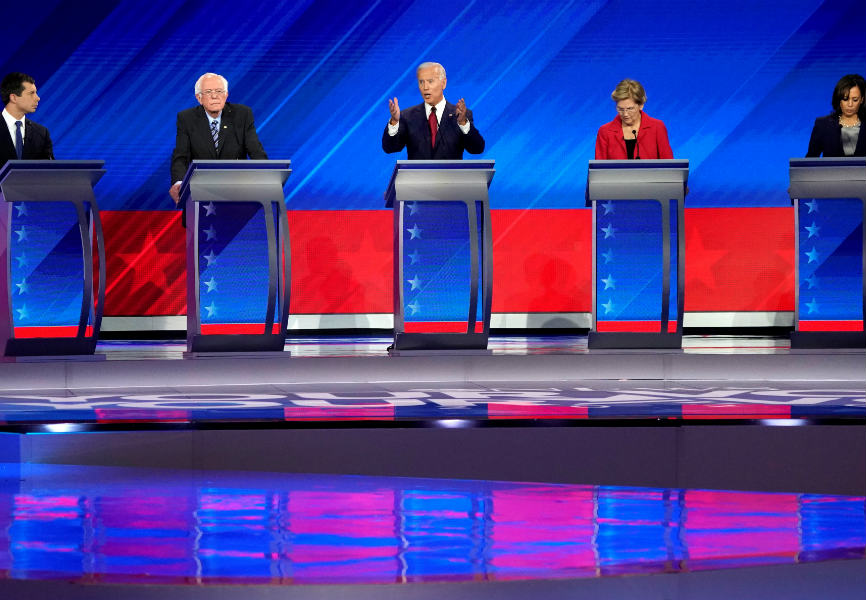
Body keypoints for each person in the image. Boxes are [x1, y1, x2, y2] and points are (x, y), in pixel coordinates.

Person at [169, 72, 268, 215]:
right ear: (199, 98)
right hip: (200, 195)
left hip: (237, 193)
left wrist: (265, 176)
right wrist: (179, 183)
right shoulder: (186, 118)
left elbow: (256, 151)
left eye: (219, 91)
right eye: (208, 92)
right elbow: (181, 156)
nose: (215, 96)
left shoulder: (242, 114)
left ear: (226, 95)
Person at [382, 61, 485, 159]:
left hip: (451, 177)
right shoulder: (407, 116)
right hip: (418, 177)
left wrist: (463, 123)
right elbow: (390, 148)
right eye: (421, 82)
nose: (425, 87)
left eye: (430, 81)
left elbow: (477, 149)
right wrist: (394, 122)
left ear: (443, 83)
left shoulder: (460, 115)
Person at [595, 79, 672, 160]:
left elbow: (669, 166)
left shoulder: (657, 127)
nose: (625, 114)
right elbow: (599, 170)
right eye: (620, 109)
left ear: (641, 105)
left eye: (630, 108)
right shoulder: (605, 131)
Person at [1, 72, 54, 167]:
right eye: (31, 93)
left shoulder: (41, 133)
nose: (38, 98)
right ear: (13, 98)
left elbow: (49, 171)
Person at [806, 73, 865, 157]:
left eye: (855, 100)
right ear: (839, 99)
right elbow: (809, 161)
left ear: (862, 100)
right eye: (845, 99)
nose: (850, 104)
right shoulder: (823, 125)